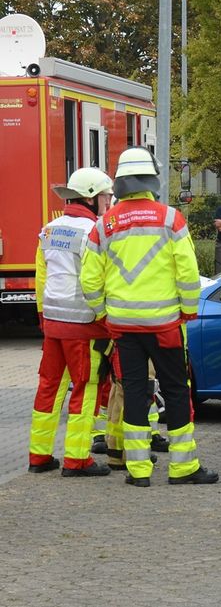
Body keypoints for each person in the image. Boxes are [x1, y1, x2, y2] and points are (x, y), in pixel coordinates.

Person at [80, 147, 218, 487]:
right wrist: (188, 309)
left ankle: (138, 470)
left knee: (134, 390)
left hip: (124, 326)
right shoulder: (171, 219)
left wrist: (102, 313)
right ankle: (183, 467)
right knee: (174, 389)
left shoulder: (103, 224)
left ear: (121, 182)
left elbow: (89, 280)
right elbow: (187, 272)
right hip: (165, 325)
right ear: (151, 181)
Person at [27, 167, 115, 477]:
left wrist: (42, 316)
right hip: (85, 326)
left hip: (53, 323)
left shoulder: (49, 229)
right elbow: (100, 279)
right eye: (106, 195)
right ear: (91, 197)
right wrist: (107, 319)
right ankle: (77, 460)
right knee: (86, 389)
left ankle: (39, 456)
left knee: (49, 388)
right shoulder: (95, 231)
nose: (109, 200)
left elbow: (41, 278)